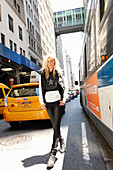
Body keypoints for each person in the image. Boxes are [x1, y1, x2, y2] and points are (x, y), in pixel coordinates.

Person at [39, 54, 67, 168]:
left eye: (52, 61)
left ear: (55, 62)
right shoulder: (42, 74)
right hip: (48, 103)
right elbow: (40, 89)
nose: (50, 63)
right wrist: (42, 102)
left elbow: (65, 87)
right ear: (46, 62)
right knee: (55, 126)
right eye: (48, 61)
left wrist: (64, 99)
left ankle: (53, 153)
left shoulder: (59, 73)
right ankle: (62, 141)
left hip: (58, 103)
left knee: (56, 125)